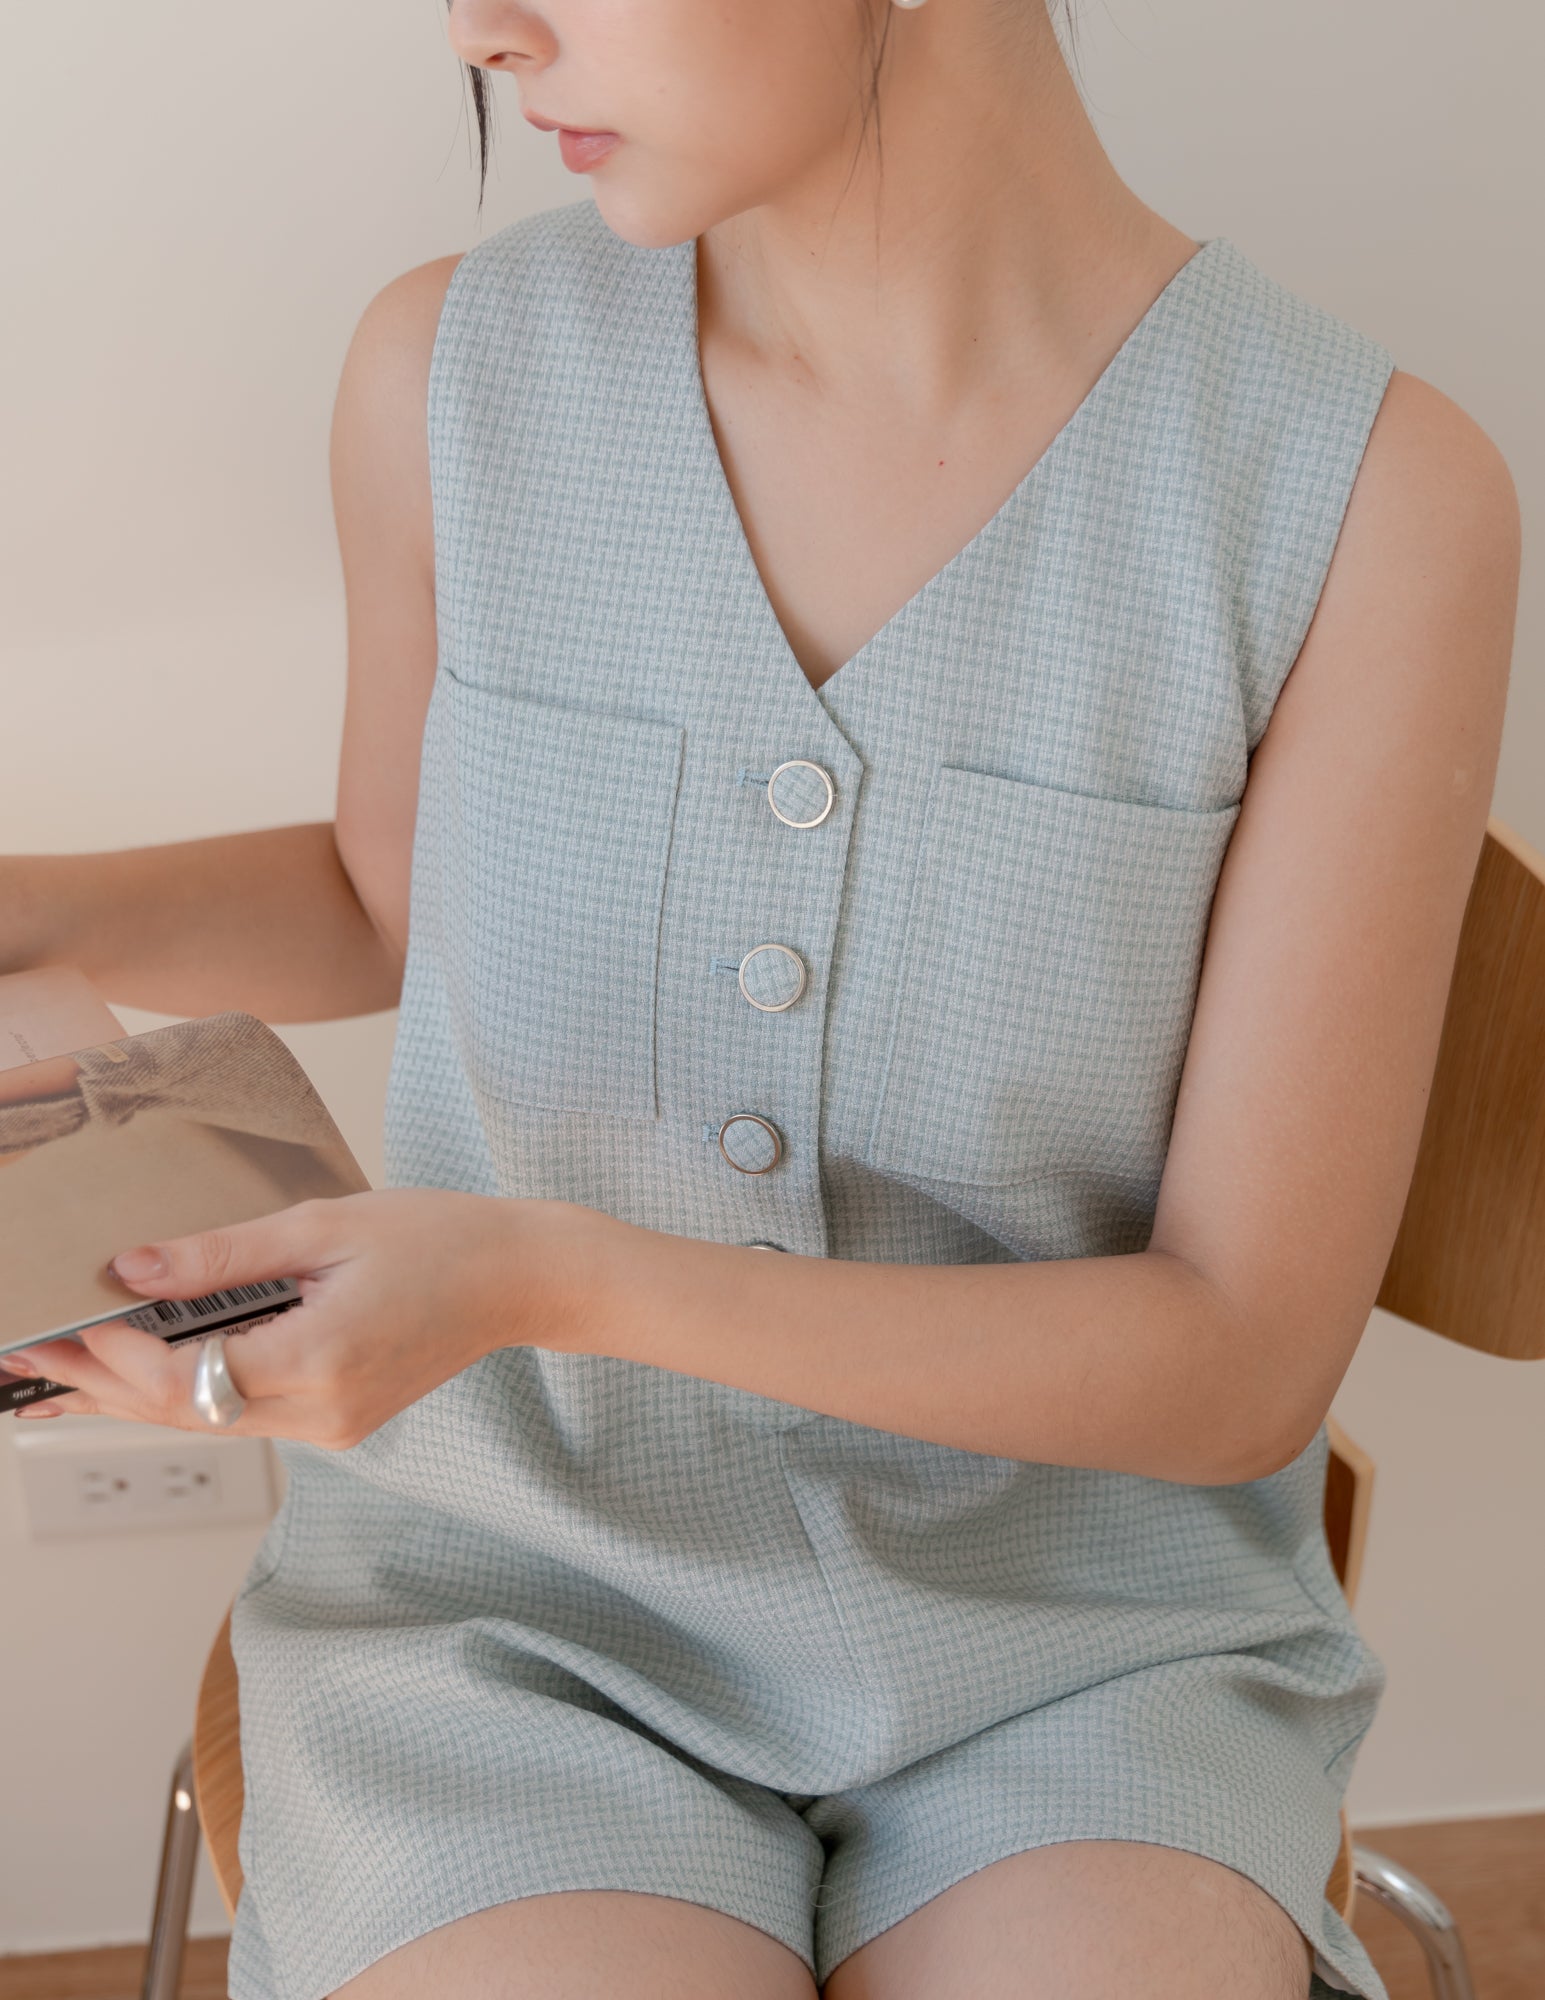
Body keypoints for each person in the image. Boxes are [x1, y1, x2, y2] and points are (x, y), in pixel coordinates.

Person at [2, 0, 1520, 1994]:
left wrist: (536, 1278)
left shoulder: (1361, 496)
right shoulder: (450, 374)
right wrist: (28, 912)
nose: (482, 27)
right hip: (510, 1605)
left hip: (1083, 1642)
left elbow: (1233, 1354)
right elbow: (388, 885)